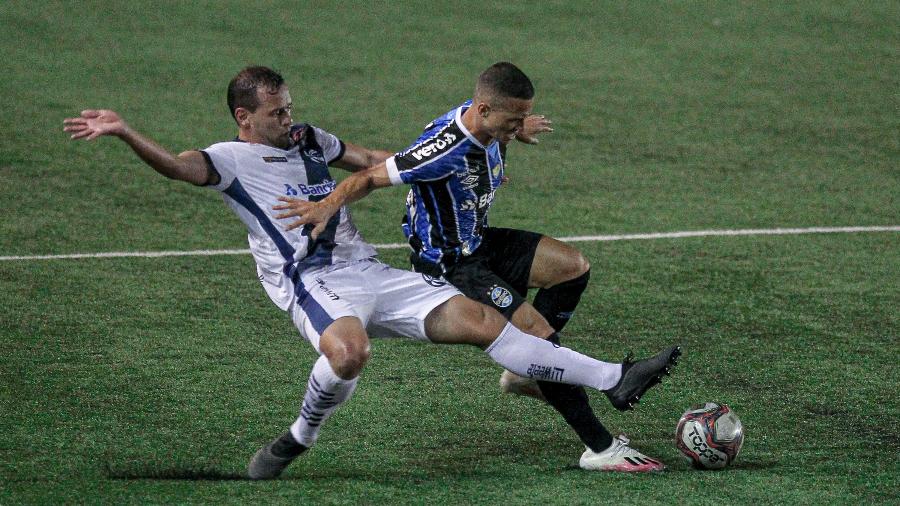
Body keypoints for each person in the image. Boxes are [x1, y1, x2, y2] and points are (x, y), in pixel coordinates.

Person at [63, 66, 678, 479]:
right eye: (275, 112)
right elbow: (174, 167)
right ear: (243, 118)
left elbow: (373, 161)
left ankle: (616, 377)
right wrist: (122, 132)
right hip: (313, 281)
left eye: (288, 107)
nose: (288, 117)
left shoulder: (307, 139)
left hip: (370, 269)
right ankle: (300, 437)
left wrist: (446, 160)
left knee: (487, 322)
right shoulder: (226, 160)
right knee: (350, 354)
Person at [271, 63, 682, 472]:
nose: (519, 126)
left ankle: (530, 373)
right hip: (452, 261)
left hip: (478, 239)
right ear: (484, 110)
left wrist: (517, 129)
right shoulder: (443, 151)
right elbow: (370, 177)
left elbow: (498, 130)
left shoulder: (485, 119)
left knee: (571, 266)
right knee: (539, 335)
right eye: (513, 120)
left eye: (523, 117)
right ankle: (601, 447)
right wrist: (324, 206)